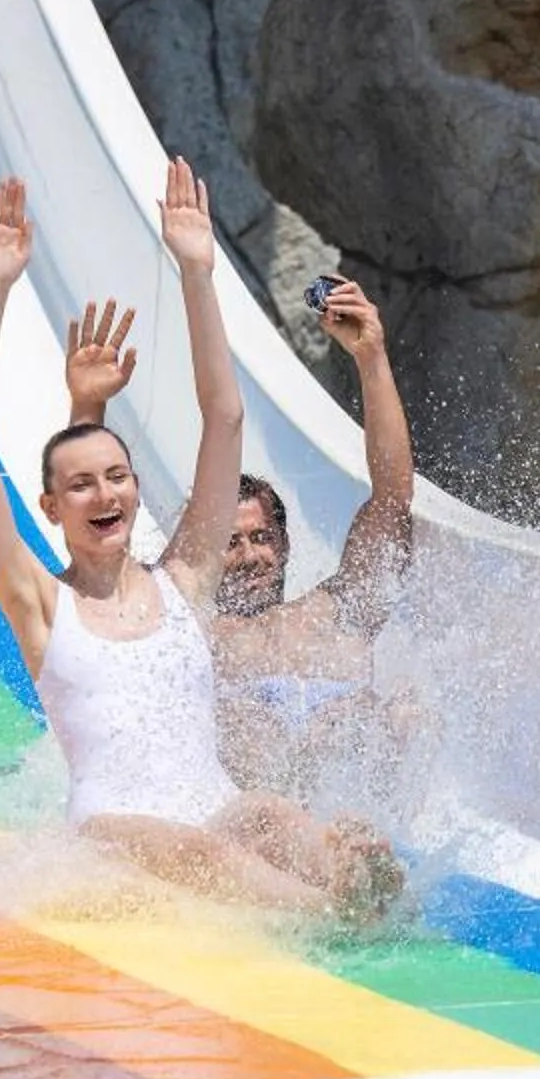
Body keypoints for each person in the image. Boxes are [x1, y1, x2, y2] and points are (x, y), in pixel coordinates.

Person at [0, 159, 398, 916]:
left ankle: (361, 878)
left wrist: (197, 273)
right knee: (211, 852)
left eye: (117, 477)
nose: (106, 493)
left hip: (215, 807)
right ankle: (333, 919)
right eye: (82, 484)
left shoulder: (183, 582)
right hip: (114, 833)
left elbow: (223, 418)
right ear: (50, 507)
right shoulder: (40, 604)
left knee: (272, 817)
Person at [63, 274, 416, 801]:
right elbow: (94, 550)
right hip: (251, 801)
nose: (250, 555)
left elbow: (392, 495)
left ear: (285, 545)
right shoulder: (181, 625)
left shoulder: (339, 609)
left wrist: (371, 357)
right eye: (230, 543)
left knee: (410, 710)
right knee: (242, 719)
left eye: (261, 537)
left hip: (349, 785)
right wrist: (88, 407)